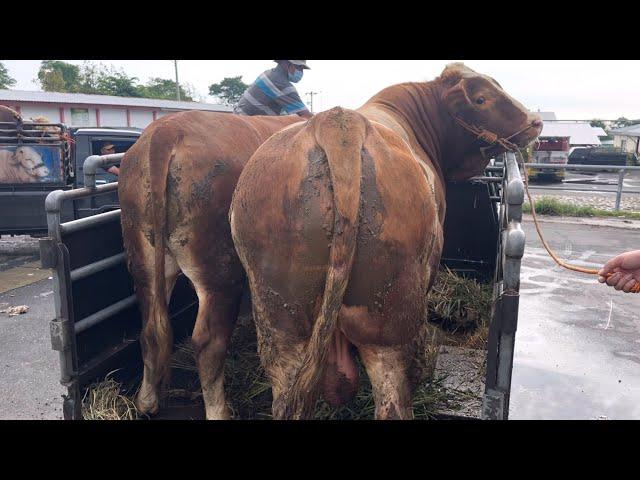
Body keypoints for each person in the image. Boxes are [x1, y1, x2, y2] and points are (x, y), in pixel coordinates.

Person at [234, 60, 313, 118]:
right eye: (299, 67)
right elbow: (305, 116)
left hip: (239, 119)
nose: (301, 72)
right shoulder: (282, 84)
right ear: (286, 63)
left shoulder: (268, 74)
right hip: (249, 126)